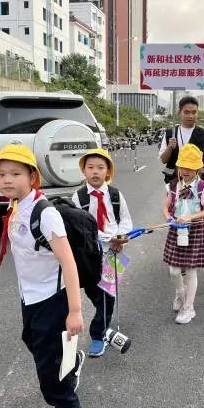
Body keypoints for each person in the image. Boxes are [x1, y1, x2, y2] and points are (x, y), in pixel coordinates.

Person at [0, 144, 85, 408]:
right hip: (29, 296)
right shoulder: (16, 206)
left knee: (48, 364)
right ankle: (71, 362)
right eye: (1, 174)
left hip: (51, 299)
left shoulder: (45, 214)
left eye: (15, 173)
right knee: (33, 342)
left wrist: (75, 311)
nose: (7, 180)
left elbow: (68, 263)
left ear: (32, 177)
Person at [71, 149, 133, 358]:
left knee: (108, 295)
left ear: (108, 172)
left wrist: (121, 236)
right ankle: (104, 319)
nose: (95, 172)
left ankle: (98, 334)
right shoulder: (78, 197)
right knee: (94, 293)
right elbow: (79, 227)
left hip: (115, 252)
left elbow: (125, 220)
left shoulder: (115, 195)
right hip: (88, 254)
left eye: (100, 167)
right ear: (84, 171)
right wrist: (108, 238)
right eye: (90, 167)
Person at [162, 144, 204, 324]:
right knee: (174, 270)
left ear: (198, 169)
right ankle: (180, 292)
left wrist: (190, 218)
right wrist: (169, 218)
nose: (185, 171)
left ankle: (189, 308)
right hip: (176, 230)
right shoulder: (173, 186)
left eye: (190, 168)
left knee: (191, 271)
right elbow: (166, 207)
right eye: (183, 166)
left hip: (195, 231)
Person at [159, 96, 204, 182]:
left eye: (194, 112)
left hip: (196, 184)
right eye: (186, 112)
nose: (190, 116)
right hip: (173, 183)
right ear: (179, 112)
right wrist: (169, 147)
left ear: (197, 113)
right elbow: (163, 160)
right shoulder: (170, 133)